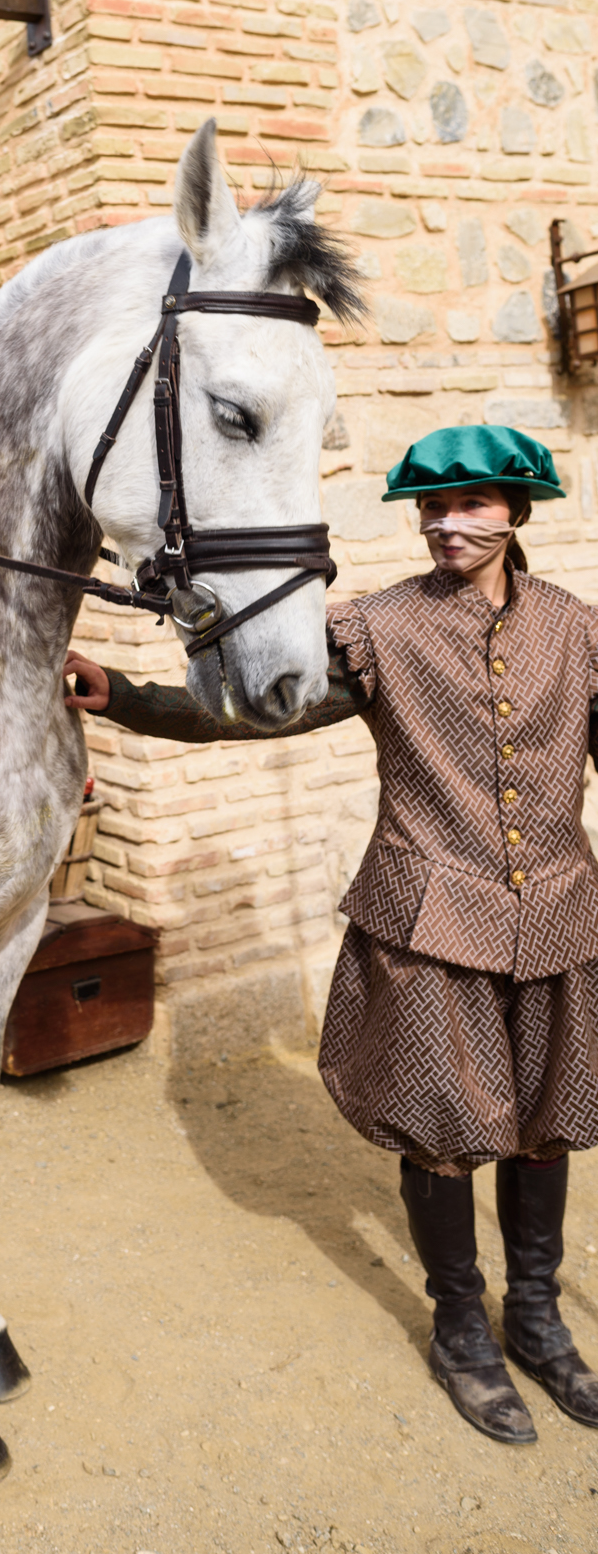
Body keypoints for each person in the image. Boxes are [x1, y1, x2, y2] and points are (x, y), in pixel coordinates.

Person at [65, 425, 598, 1445]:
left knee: (543, 1120)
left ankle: (534, 1317)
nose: (445, 523)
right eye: (430, 506)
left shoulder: (575, 631)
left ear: (515, 510)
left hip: (556, 915)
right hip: (427, 918)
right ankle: (460, 1328)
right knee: (442, 1125)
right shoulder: (379, 629)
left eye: (471, 503)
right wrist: (127, 697)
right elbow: (256, 709)